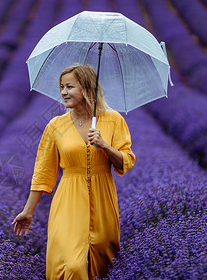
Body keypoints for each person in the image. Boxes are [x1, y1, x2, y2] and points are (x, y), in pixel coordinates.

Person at [12, 64, 135, 279]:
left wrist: (105, 145)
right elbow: (43, 170)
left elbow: (126, 162)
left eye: (70, 86)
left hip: (103, 196)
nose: (63, 92)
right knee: (71, 264)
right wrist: (28, 211)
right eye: (61, 87)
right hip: (68, 198)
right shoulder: (56, 125)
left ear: (87, 88)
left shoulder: (114, 120)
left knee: (103, 262)